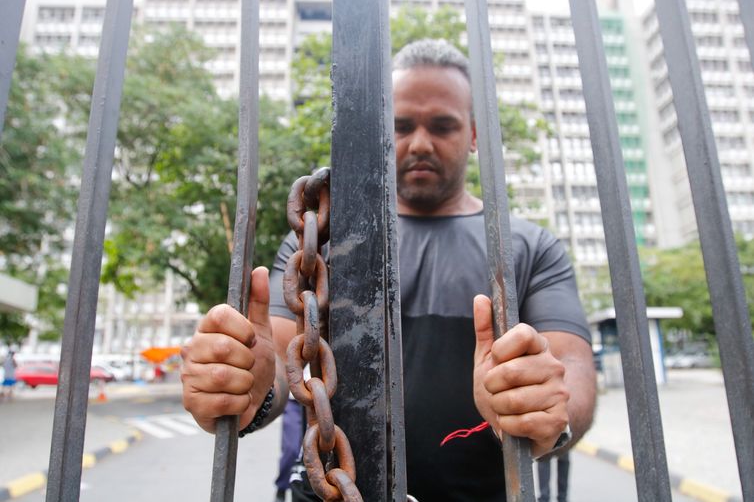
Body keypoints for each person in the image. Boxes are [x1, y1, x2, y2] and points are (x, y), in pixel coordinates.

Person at [181, 39, 597, 501]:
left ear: (475, 135)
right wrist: (247, 387)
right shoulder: (316, 245)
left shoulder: (528, 247)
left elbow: (573, 366)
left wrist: (546, 415)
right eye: (400, 126)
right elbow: (280, 362)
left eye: (443, 126)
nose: (420, 143)